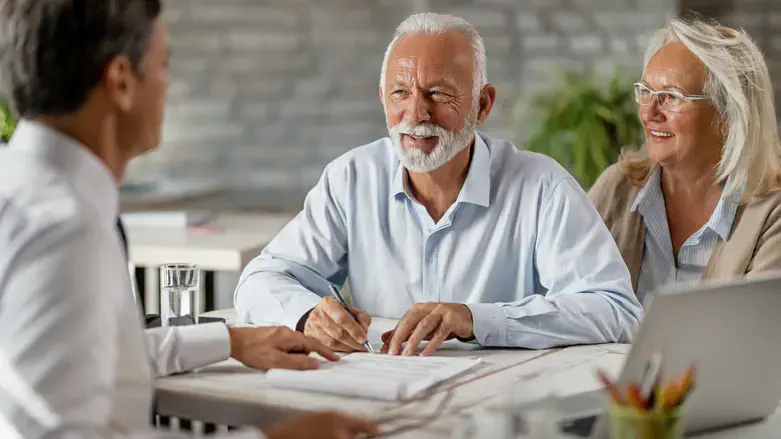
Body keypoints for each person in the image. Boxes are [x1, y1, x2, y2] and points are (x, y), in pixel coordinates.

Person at [0, 1, 378, 438]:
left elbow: (80, 359)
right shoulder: (64, 229)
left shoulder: (21, 188)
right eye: (162, 67)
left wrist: (230, 342)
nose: (166, 85)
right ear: (121, 81)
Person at [234, 12, 643, 356]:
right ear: (382, 98)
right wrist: (308, 316)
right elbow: (259, 281)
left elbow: (615, 309)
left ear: (482, 105)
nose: (416, 112)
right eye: (400, 92)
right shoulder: (351, 178)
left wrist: (475, 318)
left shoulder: (542, 186)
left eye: (438, 93)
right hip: (375, 403)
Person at [589, 17, 781, 305]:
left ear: (728, 114)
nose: (649, 112)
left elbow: (754, 335)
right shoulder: (617, 187)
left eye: (671, 97)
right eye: (646, 92)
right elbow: (572, 299)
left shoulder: (771, 214)